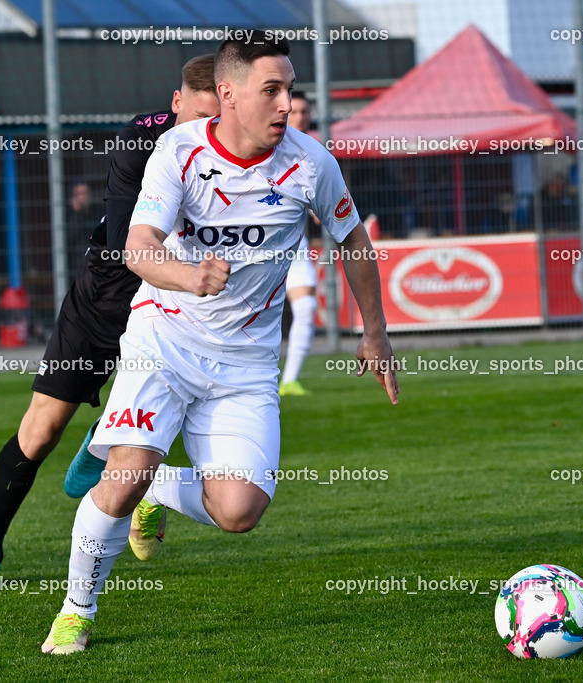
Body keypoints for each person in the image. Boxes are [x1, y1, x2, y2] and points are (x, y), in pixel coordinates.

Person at [41, 38, 399, 655]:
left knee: (238, 512)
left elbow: (353, 242)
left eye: (289, 88)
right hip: (165, 338)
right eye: (273, 90)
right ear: (228, 94)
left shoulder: (311, 162)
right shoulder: (177, 152)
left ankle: (158, 487)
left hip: (246, 361)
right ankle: (77, 610)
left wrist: (375, 333)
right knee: (121, 479)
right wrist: (189, 276)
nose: (288, 103)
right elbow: (139, 247)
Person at [0, 55, 220, 592]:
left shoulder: (239, 149)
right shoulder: (141, 141)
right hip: (106, 296)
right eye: (195, 117)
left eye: (214, 121)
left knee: (169, 418)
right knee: (41, 429)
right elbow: (130, 245)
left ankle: (127, 462)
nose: (202, 132)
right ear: (176, 102)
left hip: (178, 304)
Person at [279, 90, 318, 396]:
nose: (302, 116)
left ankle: (289, 380)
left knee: (305, 308)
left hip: (296, 246)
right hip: (255, 247)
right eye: (297, 111)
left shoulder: (316, 150)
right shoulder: (269, 145)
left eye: (306, 111)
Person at [65, 180, 97, 282]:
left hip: (95, 262)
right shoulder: (66, 214)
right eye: (78, 194)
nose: (82, 198)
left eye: (84, 193)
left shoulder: (98, 211)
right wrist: (77, 213)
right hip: (75, 265)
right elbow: (68, 238)